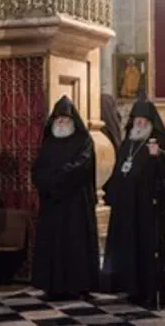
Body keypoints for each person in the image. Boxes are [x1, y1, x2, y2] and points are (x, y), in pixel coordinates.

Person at [101, 98, 165, 308]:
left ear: (152, 122)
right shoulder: (128, 143)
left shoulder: (160, 142)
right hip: (126, 206)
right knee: (128, 246)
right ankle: (130, 287)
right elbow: (119, 169)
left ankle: (149, 289)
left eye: (145, 120)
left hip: (147, 206)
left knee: (146, 248)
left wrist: (159, 156)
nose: (140, 123)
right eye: (137, 119)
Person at [32, 96, 100, 299]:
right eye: (58, 120)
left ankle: (78, 285)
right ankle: (53, 286)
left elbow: (82, 166)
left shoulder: (84, 141)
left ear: (73, 121)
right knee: (53, 244)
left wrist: (57, 179)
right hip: (52, 204)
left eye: (65, 119)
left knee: (75, 244)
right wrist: (49, 182)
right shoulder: (48, 143)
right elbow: (37, 170)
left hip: (75, 204)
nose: (61, 123)